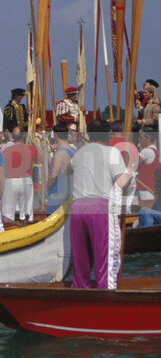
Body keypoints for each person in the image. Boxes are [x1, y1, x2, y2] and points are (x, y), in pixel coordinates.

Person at [69, 132, 133, 289]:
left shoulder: (77, 155)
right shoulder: (111, 152)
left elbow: (70, 171)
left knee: (80, 258)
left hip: (77, 208)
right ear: (108, 136)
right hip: (100, 206)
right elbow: (122, 182)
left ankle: (80, 289)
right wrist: (130, 172)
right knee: (106, 256)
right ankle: (107, 292)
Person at [0, 129, 39, 222]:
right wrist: (37, 146)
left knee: (8, 213)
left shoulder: (6, 151)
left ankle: (8, 233)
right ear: (24, 136)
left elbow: (2, 169)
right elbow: (42, 160)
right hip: (26, 181)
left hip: (11, 181)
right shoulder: (31, 149)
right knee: (26, 213)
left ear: (12, 137)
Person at [45, 124, 76, 213]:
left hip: (58, 196)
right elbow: (54, 165)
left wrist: (47, 188)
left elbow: (54, 175)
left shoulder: (60, 152)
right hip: (69, 195)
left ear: (56, 135)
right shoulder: (72, 151)